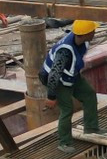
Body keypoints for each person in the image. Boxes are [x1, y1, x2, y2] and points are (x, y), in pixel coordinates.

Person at [42, 20, 100, 151]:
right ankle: (64, 143)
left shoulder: (81, 41)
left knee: (89, 94)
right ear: (85, 34)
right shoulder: (65, 51)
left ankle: (91, 128)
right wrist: (51, 97)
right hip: (57, 82)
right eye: (93, 31)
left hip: (70, 76)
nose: (95, 33)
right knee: (67, 109)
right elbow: (53, 75)